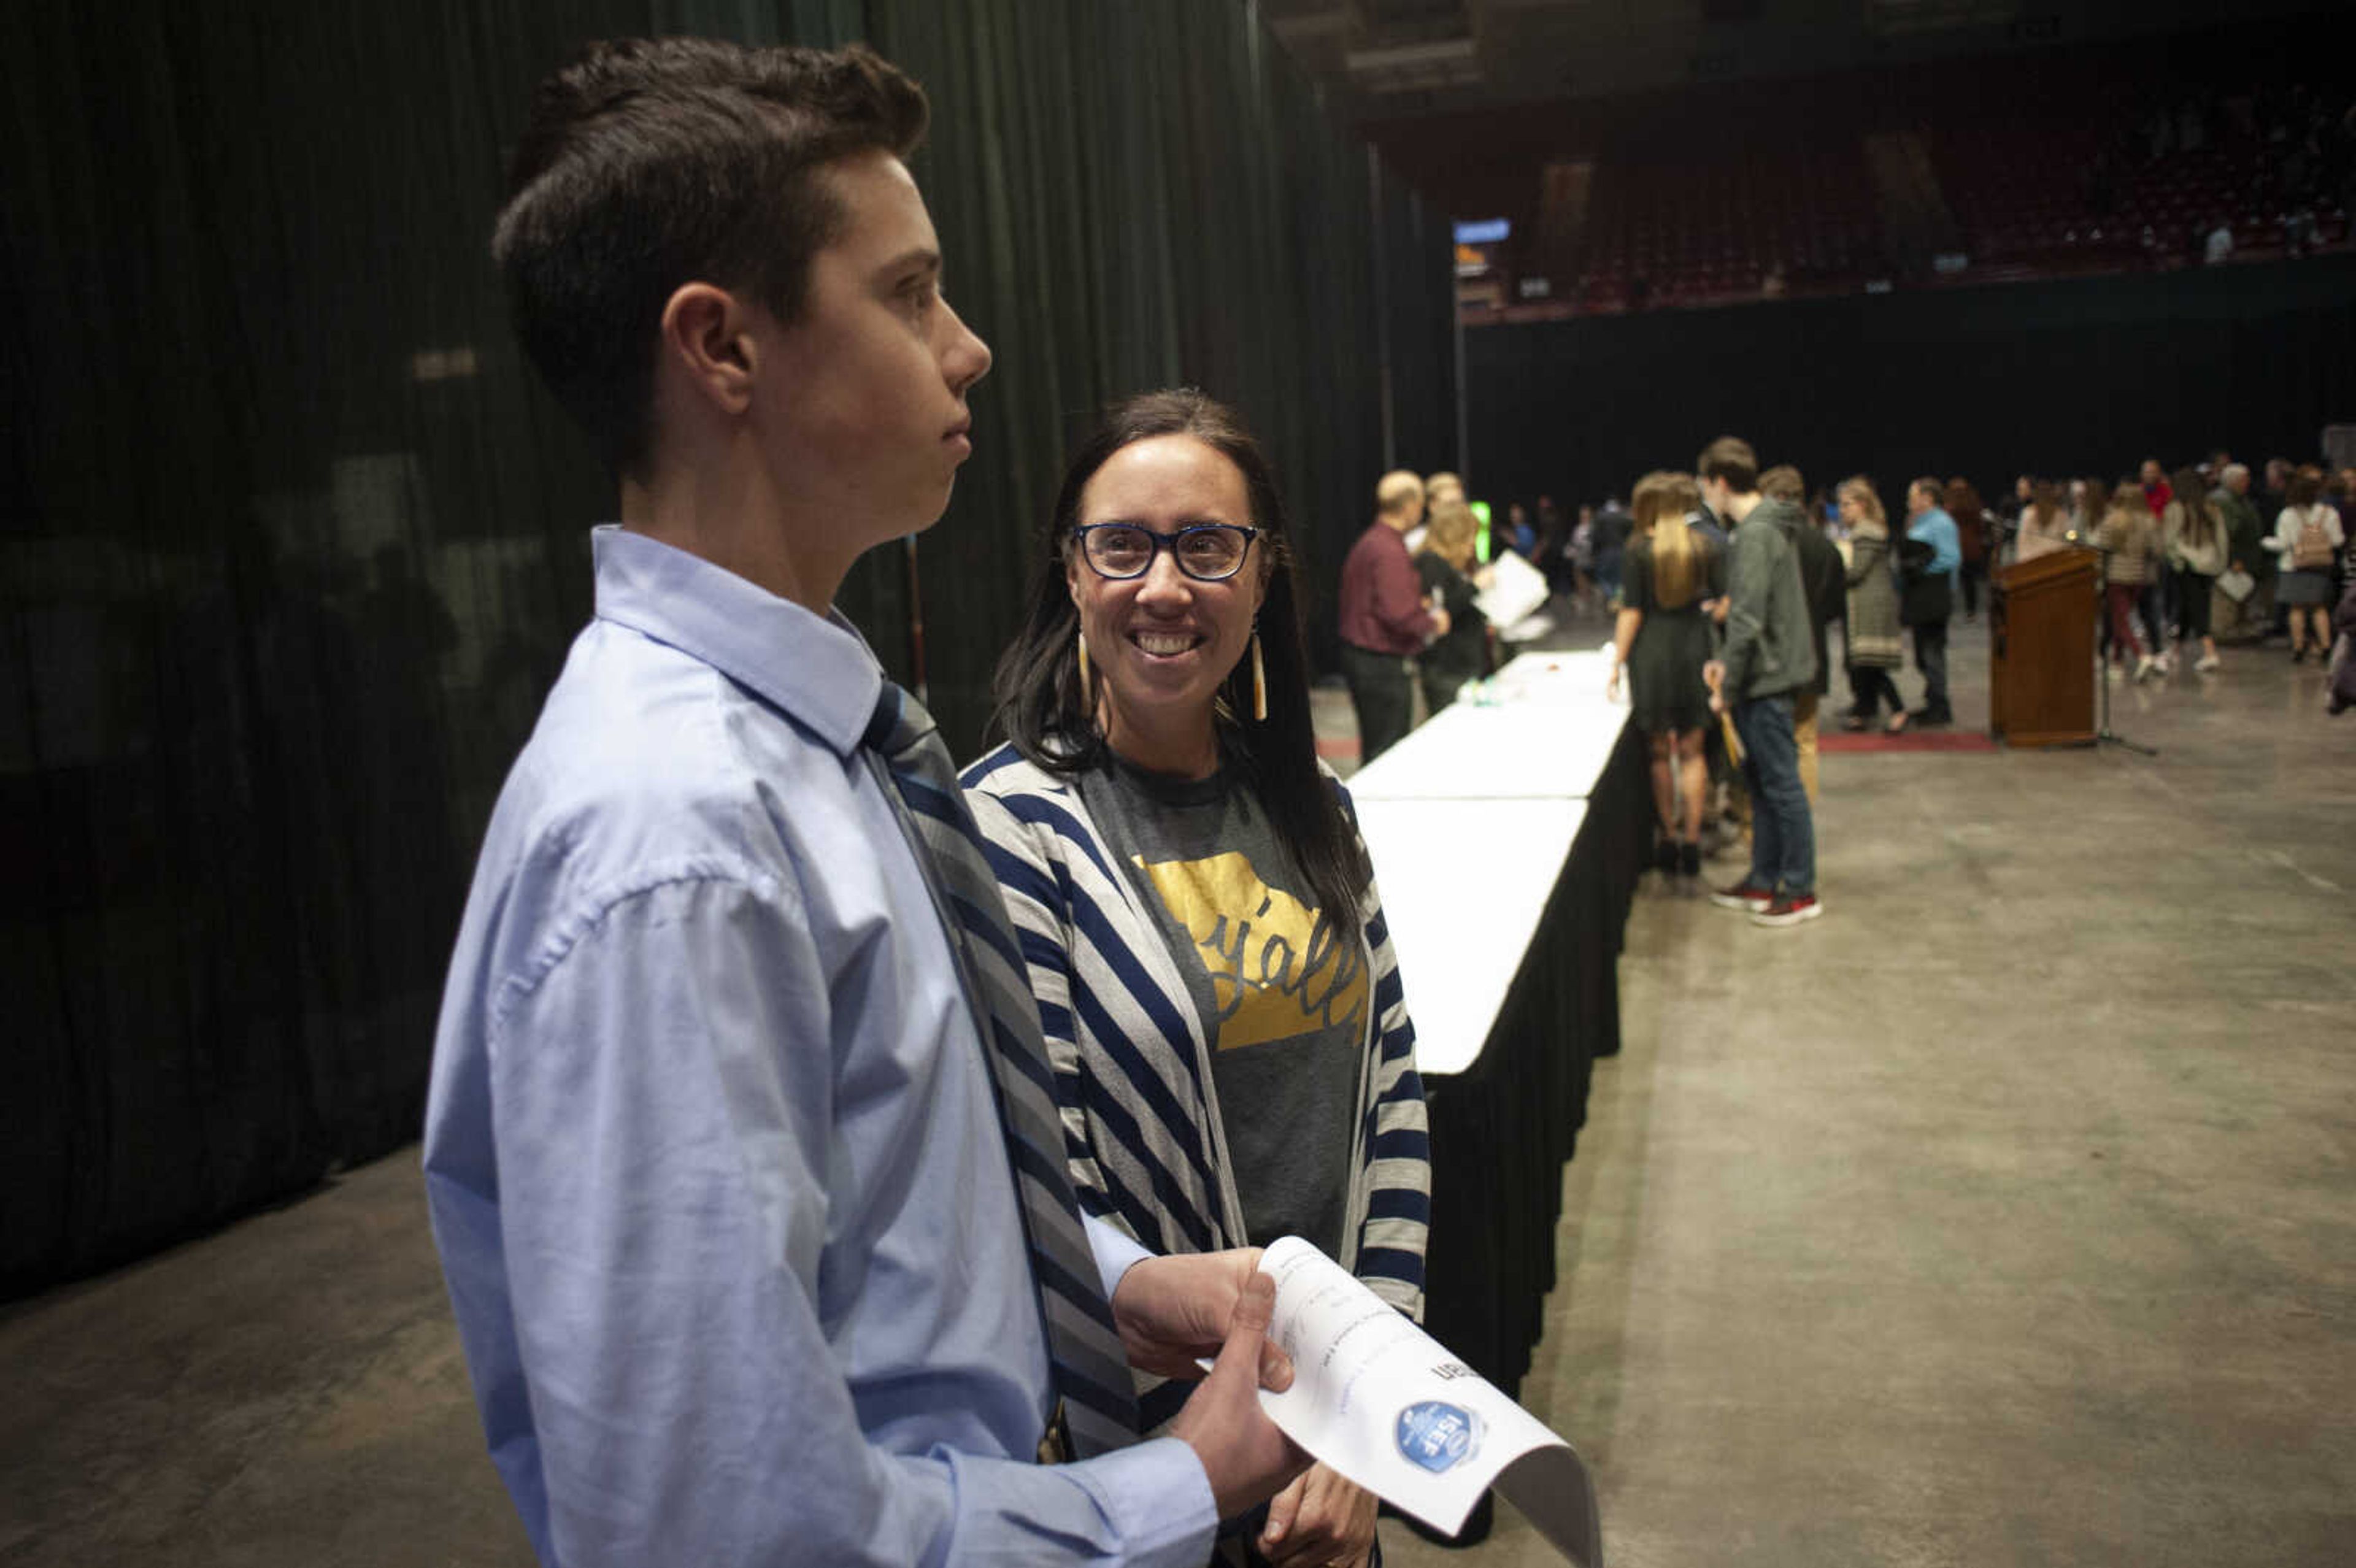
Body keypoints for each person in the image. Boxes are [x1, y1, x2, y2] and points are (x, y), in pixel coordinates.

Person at [422, 40, 1303, 1567]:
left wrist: (1106, 1282)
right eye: (907, 295)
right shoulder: (674, 842)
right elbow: (719, 1524)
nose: (964, 348)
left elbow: (886, 1216)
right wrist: (1168, 1490)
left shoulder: (833, 746)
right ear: (723, 349)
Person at [964, 390, 1431, 1568]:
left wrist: (1361, 1424)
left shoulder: (1315, 809)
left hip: (1336, 1468)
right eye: (1121, 544)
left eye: (1207, 546)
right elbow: (1041, 1199)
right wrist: (1213, 1458)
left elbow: (1393, 1109)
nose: (1163, 586)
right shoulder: (1010, 833)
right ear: (1072, 575)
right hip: (1149, 1476)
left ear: (1264, 575)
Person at [1698, 437, 1821, 927]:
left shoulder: (1754, 535)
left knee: (1781, 786)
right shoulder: (1768, 527)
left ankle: (1800, 889)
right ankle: (1765, 878)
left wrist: (1725, 683)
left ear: (1721, 483)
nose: (1706, 496)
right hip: (1767, 673)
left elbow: (1747, 620)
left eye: (1706, 486)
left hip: (1765, 679)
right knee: (1764, 785)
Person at [1607, 471, 1724, 880]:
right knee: (1693, 752)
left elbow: (1632, 612)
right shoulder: (1704, 547)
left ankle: (1669, 837)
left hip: (1652, 657)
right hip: (1696, 652)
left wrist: (1616, 664)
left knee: (1660, 753)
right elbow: (1726, 603)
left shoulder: (1639, 549)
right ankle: (1693, 842)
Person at [1339, 471, 1446, 764]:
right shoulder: (1388, 549)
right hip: (1380, 664)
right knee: (1387, 751)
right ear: (1410, 504)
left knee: (1379, 745)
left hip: (1365, 658)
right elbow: (1397, 614)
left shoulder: (1373, 541)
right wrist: (1434, 623)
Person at [1761, 464, 1844, 803]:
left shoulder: (1763, 542)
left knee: (1769, 742)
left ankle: (1774, 817)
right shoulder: (1823, 546)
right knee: (1806, 740)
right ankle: (1802, 812)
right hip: (1812, 650)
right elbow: (1836, 607)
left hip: (1772, 658)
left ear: (1777, 498)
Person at [1836, 478, 1906, 731]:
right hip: (1867, 605)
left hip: (1870, 608)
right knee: (1864, 665)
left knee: (1873, 665)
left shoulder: (1866, 534)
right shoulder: (1866, 532)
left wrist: (1834, 571)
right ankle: (1863, 712)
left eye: (1847, 505)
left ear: (1862, 505)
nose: (1843, 510)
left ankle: (1898, 710)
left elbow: (1856, 572)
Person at [1414, 500, 1492, 715]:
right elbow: (1440, 613)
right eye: (1468, 536)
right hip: (1447, 669)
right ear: (1452, 535)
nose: (1472, 544)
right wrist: (1475, 587)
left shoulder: (1449, 565)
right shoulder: (1430, 563)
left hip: (1462, 666)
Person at [2263, 466, 2346, 662]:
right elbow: (2337, 541)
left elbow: (2283, 544)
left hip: (2293, 567)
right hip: (2320, 566)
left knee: (2297, 609)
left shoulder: (2288, 515)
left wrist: (2266, 542)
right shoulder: (2329, 513)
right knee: (2319, 607)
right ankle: (2326, 645)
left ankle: (2298, 648)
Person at [1895, 477, 1959, 729]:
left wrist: (1920, 568)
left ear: (1927, 498)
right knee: (1923, 654)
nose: (1909, 501)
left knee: (1932, 653)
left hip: (1933, 596)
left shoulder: (1941, 523)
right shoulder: (1921, 522)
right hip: (1920, 597)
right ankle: (1933, 699)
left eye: (1913, 495)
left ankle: (1940, 706)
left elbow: (1950, 558)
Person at [2094, 482, 2163, 680]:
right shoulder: (2149, 521)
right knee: (2122, 618)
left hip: (2116, 576)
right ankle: (2118, 662)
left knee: (2119, 621)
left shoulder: (2112, 521)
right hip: (2139, 577)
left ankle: (2141, 654)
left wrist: (2098, 574)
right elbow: (2157, 550)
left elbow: (2102, 551)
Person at [2163, 464, 2227, 672]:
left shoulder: (2176, 508)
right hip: (2208, 563)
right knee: (2188, 607)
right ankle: (2175, 650)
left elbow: (2170, 540)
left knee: (2197, 608)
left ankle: (2210, 653)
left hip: (2186, 564)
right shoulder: (2212, 508)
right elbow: (2222, 539)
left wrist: (2174, 559)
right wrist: (2220, 563)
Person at [2212, 462, 2267, 644]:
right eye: (2244, 479)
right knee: (2228, 597)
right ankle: (2225, 632)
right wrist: (2234, 558)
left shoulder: (2241, 499)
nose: (2248, 483)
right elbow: (2227, 533)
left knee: (2242, 597)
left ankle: (2240, 629)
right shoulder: (2223, 501)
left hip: (2248, 559)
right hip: (2233, 560)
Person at [1946, 477, 1991, 623]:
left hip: (1955, 546)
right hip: (1971, 547)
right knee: (1969, 582)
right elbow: (1981, 527)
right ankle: (1970, 611)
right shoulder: (1974, 506)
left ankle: (1948, 609)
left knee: (1951, 580)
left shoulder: (1950, 507)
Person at [2014, 478, 2074, 563]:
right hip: (2033, 566)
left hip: (2058, 564)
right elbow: (2022, 547)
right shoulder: (2027, 514)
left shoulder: (2062, 515)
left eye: (2046, 493)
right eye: (2041, 493)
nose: (2044, 497)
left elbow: (2071, 539)